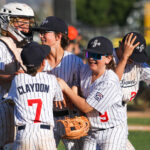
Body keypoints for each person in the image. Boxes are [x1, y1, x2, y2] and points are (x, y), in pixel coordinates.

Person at [57, 36, 128, 150]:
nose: (91, 59)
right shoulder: (86, 69)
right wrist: (74, 89)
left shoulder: (109, 81)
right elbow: (77, 81)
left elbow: (86, 107)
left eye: (96, 55)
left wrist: (66, 88)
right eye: (89, 54)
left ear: (108, 59)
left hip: (112, 132)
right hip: (92, 131)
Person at [32, 16, 84, 150]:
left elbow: (77, 97)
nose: (41, 36)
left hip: (71, 119)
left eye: (45, 33)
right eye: (40, 33)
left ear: (58, 36)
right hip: (46, 119)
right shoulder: (37, 61)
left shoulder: (75, 61)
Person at [2, 41, 63, 150]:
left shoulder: (18, 79)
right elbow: (58, 102)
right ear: (43, 62)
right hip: (45, 134)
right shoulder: (51, 79)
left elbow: (10, 102)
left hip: (24, 134)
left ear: (24, 63)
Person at [0, 2, 35, 149]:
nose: (26, 27)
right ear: (7, 21)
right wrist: (12, 77)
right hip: (4, 103)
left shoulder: (24, 45)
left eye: (28, 22)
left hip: (22, 106)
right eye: (21, 22)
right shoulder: (1, 45)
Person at [113, 32, 150, 150]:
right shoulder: (107, 59)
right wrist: (124, 58)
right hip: (103, 117)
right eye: (131, 54)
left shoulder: (138, 64)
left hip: (121, 117)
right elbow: (109, 85)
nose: (133, 59)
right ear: (121, 45)